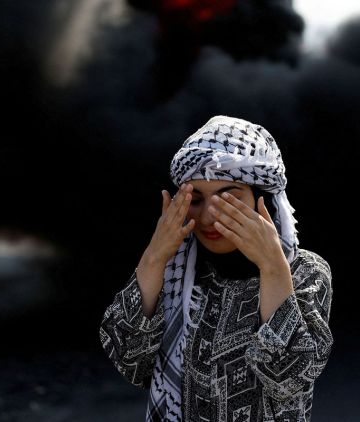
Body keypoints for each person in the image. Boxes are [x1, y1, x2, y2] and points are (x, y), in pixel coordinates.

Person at [99, 115, 333, 421]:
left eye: (228, 200)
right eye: (195, 200)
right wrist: (154, 257)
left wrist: (272, 267)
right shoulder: (176, 272)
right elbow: (129, 362)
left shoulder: (304, 271)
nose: (209, 216)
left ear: (262, 200)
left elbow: (288, 380)